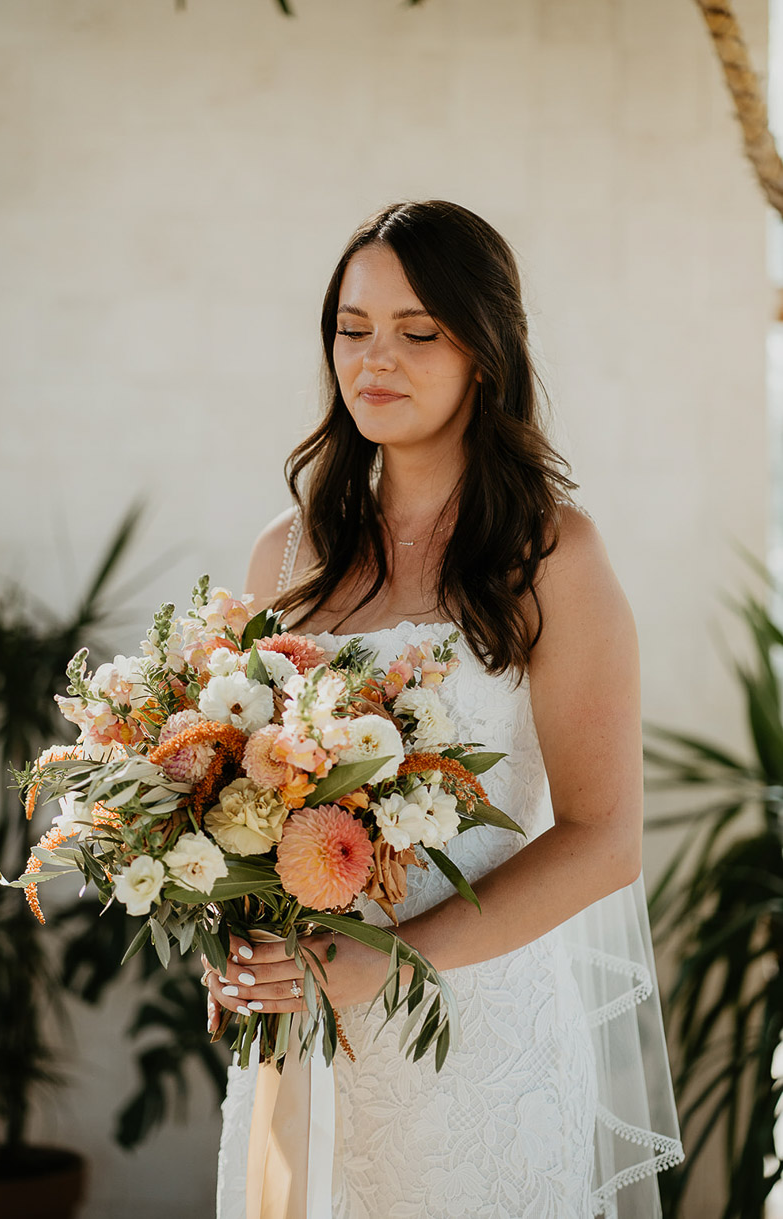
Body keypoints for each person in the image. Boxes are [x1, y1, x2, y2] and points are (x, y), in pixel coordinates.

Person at [203, 200, 683, 1217]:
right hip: (298, 1040)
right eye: (352, 328)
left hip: (473, 1028)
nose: (375, 359)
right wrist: (236, 951)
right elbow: (240, 802)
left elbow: (605, 837)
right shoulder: (282, 558)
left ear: (483, 350)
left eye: (417, 332)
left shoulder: (548, 555)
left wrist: (388, 963)